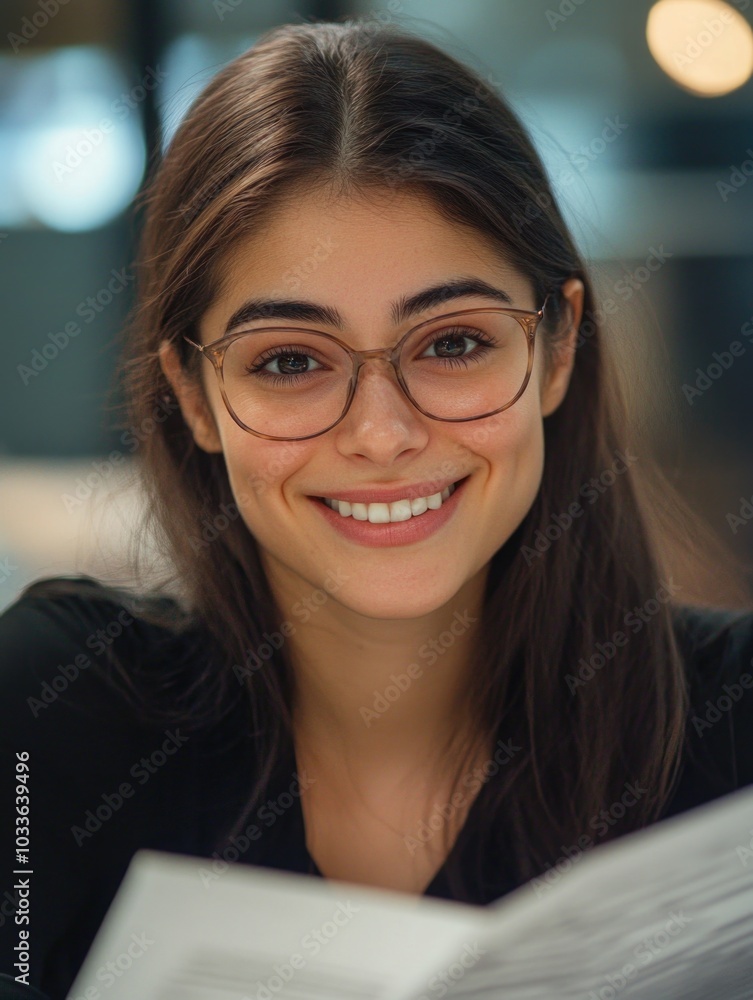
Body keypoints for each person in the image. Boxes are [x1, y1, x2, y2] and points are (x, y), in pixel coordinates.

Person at [2, 18, 753, 1000]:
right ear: (193, 394)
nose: (382, 435)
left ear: (558, 348)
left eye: (451, 344)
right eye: (289, 362)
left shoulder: (732, 734)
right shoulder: (55, 722)